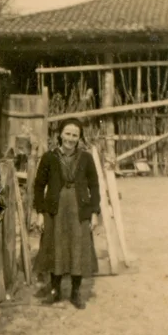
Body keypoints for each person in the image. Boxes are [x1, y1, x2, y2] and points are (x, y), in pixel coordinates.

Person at [33, 118, 100, 309]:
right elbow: (39, 186)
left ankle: (75, 292)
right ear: (60, 135)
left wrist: (94, 212)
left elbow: (94, 186)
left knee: (78, 248)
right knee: (56, 247)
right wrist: (40, 212)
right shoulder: (49, 157)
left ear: (79, 138)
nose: (71, 138)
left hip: (79, 209)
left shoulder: (86, 158)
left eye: (75, 135)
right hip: (55, 210)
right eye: (68, 134)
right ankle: (55, 290)